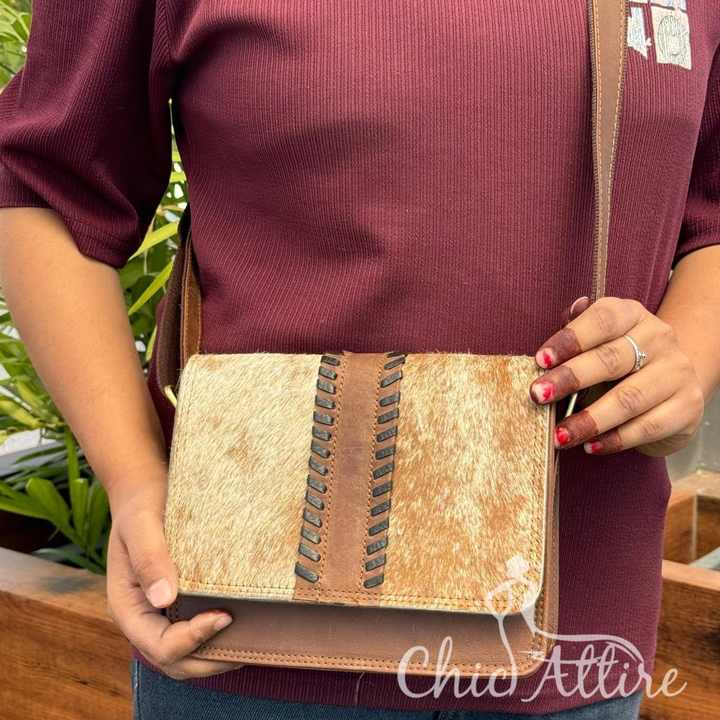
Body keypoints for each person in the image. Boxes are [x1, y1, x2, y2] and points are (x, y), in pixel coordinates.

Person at [0, 2, 719, 719]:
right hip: (246, 622)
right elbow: (44, 186)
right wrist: (134, 481)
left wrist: (679, 358)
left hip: (579, 632)